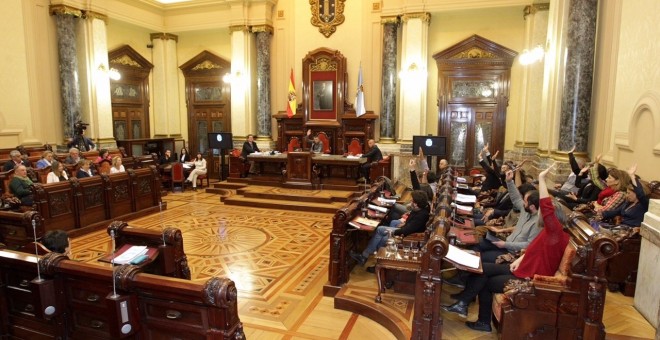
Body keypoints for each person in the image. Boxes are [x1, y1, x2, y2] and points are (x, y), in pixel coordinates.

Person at [442, 163, 570, 333]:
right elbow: (534, 248)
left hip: (530, 279)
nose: (540, 212)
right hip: (522, 268)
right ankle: (466, 307)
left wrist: (541, 179)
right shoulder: (549, 233)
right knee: (481, 268)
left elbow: (545, 208)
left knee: (485, 279)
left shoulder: (556, 234)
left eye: (544, 212)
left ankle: (476, 316)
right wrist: (520, 259)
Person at [349, 190, 430, 267]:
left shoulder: (421, 215)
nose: (411, 202)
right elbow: (411, 221)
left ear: (416, 204)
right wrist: (404, 223)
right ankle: (372, 255)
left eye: (412, 201)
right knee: (394, 222)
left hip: (408, 235)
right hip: (407, 228)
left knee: (380, 231)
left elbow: (407, 230)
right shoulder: (423, 207)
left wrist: (393, 232)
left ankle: (369, 257)